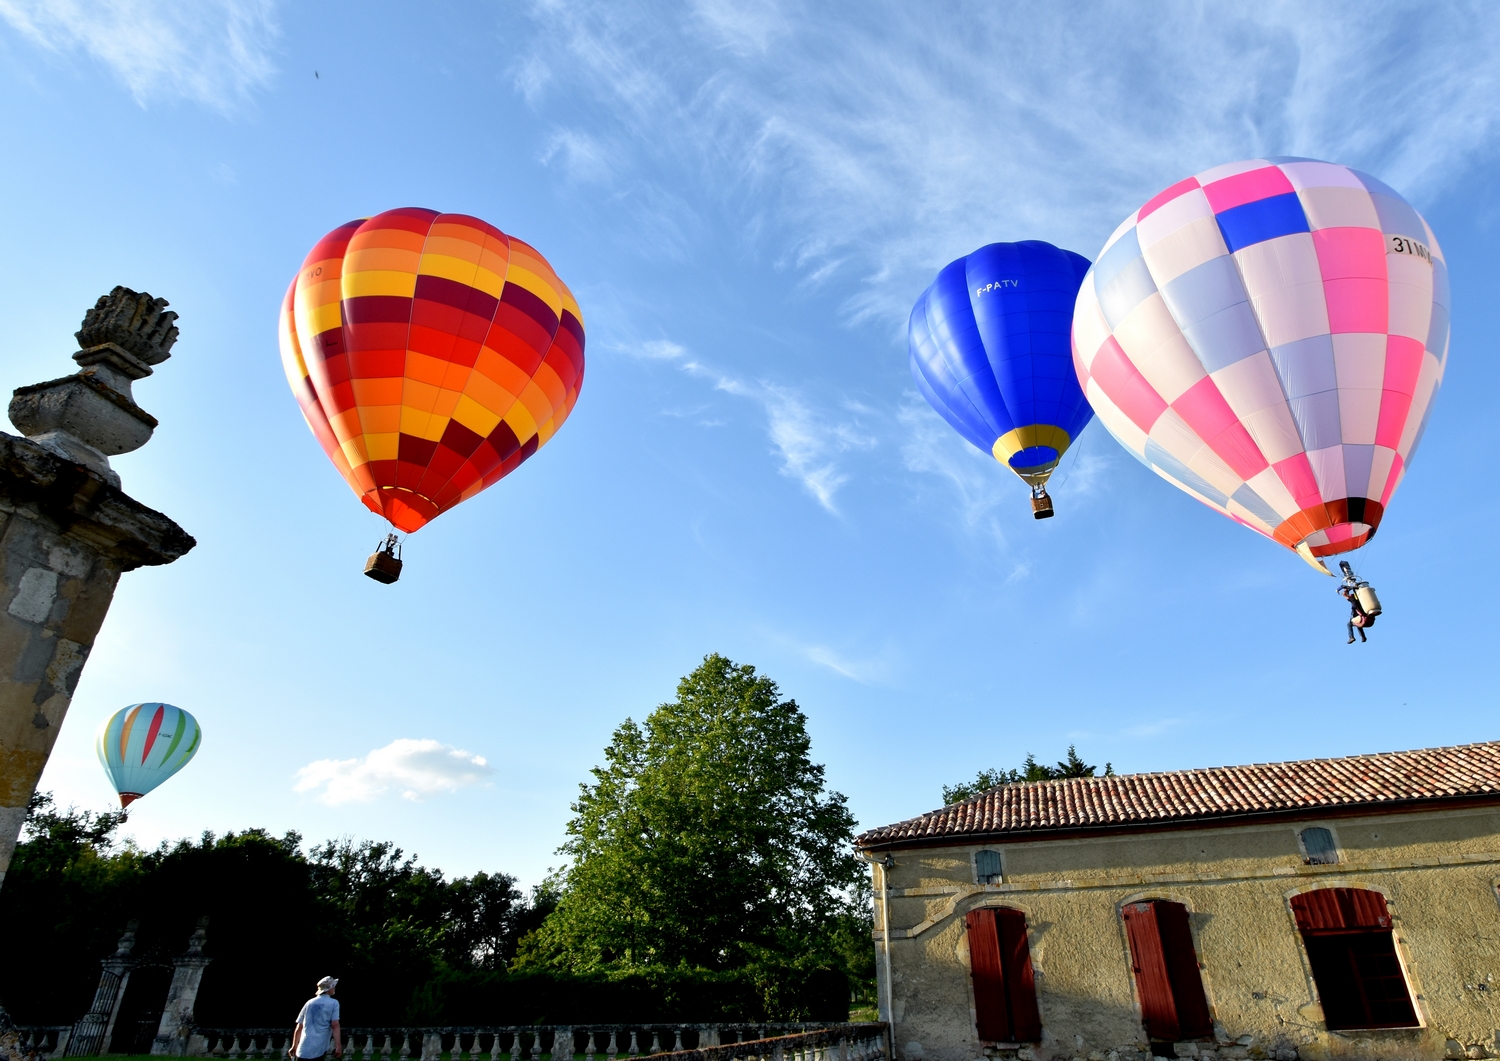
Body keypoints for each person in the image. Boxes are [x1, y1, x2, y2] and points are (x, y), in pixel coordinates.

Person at [289, 976, 342, 1061]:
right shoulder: (334, 1003)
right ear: (329, 989)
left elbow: (299, 1027)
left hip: (303, 1048)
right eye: (333, 986)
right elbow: (335, 1025)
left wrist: (294, 1046)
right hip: (319, 1047)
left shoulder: (309, 1003)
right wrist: (338, 1046)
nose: (335, 988)